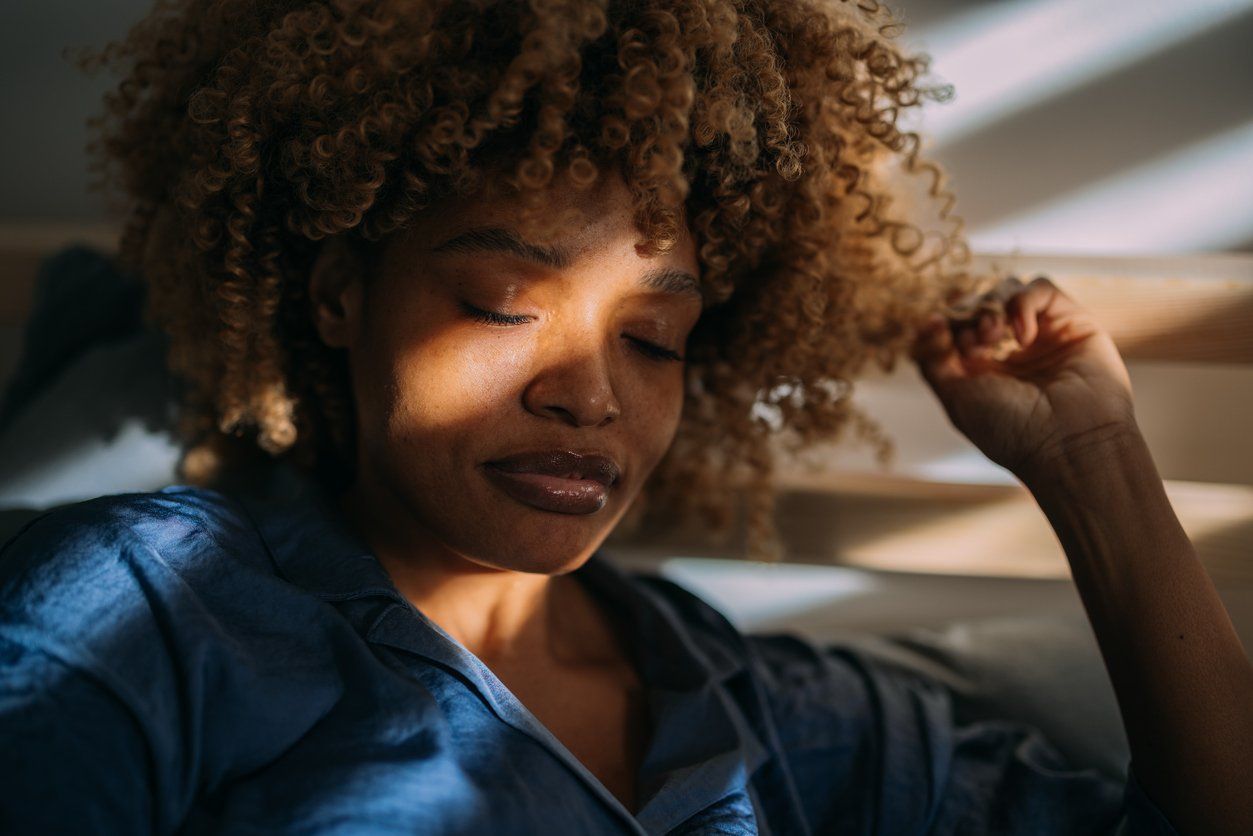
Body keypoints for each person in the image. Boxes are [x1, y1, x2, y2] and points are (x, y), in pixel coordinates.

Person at [1, 0, 1249, 832]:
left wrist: (1091, 463)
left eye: (653, 338)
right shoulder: (138, 611)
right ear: (338, 295)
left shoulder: (758, 706)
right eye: (502, 302)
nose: (591, 391)